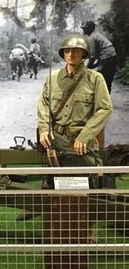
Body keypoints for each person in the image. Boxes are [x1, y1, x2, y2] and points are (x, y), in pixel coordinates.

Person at [38, 33, 112, 177]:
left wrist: (84, 136)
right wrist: (44, 129)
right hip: (57, 143)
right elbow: (44, 103)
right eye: (67, 50)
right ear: (63, 53)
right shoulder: (52, 78)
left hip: (82, 144)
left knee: (86, 186)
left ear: (84, 54)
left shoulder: (95, 79)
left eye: (76, 51)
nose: (71, 54)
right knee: (58, 188)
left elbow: (104, 109)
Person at [81, 20, 118, 93]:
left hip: (107, 57)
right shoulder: (96, 34)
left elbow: (93, 56)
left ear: (89, 29)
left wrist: (87, 68)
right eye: (83, 28)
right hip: (110, 56)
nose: (83, 30)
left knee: (102, 77)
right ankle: (106, 96)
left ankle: (104, 98)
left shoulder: (91, 37)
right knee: (107, 77)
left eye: (85, 28)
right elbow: (93, 54)